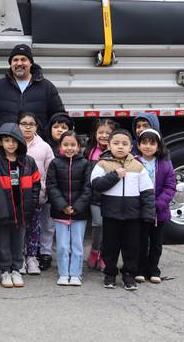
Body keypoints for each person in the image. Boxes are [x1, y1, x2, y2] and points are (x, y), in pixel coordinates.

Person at [90, 129, 155, 291]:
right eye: (116, 143)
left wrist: (148, 214)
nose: (120, 147)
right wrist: (114, 176)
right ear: (109, 145)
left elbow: (147, 192)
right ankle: (110, 274)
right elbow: (96, 185)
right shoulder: (102, 164)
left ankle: (128, 275)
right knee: (110, 245)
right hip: (111, 214)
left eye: (125, 144)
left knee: (131, 246)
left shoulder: (138, 166)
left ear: (131, 146)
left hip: (133, 216)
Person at [0, 124, 41, 288]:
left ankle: (16, 269)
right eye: (6, 140)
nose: (10, 144)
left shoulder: (29, 162)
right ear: (0, 142)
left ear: (20, 142)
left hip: (22, 211)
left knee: (18, 242)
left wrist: (32, 205)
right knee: (3, 242)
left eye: (14, 141)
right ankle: (5, 271)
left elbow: (36, 185)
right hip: (2, 212)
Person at [47, 131, 92, 287]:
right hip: (60, 212)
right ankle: (64, 273)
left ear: (79, 146)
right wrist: (63, 206)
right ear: (60, 146)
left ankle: (75, 274)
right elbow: (51, 187)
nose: (69, 148)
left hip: (79, 213)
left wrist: (77, 207)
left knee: (77, 245)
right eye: (65, 145)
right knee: (62, 245)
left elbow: (88, 188)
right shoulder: (54, 163)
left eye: (73, 145)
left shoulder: (86, 164)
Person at [134, 129, 176, 284]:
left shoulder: (165, 165)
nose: (148, 146)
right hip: (141, 211)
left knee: (156, 243)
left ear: (158, 147)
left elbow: (170, 186)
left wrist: (159, 204)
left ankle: (154, 270)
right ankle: (140, 270)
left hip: (159, 212)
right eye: (144, 142)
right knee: (141, 242)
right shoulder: (134, 163)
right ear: (138, 145)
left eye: (152, 143)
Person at [18, 111, 54, 275]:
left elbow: (50, 171)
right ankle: (19, 258)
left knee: (34, 228)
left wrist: (44, 189)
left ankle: (32, 258)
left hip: (36, 195)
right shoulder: (12, 143)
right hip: (16, 196)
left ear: (36, 127)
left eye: (31, 124)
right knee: (19, 228)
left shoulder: (44, 146)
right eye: (24, 124)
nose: (27, 127)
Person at [83, 118, 117, 272]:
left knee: (110, 227)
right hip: (94, 197)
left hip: (111, 196)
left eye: (107, 133)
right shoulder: (90, 151)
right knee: (98, 224)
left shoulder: (116, 151)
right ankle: (95, 250)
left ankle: (104, 255)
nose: (103, 135)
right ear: (95, 134)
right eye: (100, 132)